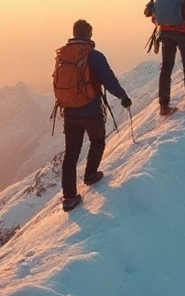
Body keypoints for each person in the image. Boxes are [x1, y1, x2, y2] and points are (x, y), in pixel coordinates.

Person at [56, 20, 130, 213]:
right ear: (88, 35)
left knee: (71, 154)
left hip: (70, 111)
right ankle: (90, 175)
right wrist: (122, 96)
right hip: (90, 110)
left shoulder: (63, 55)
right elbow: (109, 79)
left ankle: (69, 197)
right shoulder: (94, 56)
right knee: (97, 140)